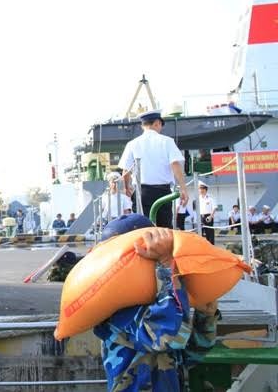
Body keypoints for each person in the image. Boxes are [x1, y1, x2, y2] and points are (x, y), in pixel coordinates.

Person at [93, 214, 219, 392]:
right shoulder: (115, 315)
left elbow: (190, 355)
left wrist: (205, 318)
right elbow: (168, 337)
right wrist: (168, 266)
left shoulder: (161, 304)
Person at [118, 110, 188, 228]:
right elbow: (175, 164)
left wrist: (127, 188)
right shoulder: (167, 141)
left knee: (142, 227)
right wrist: (183, 188)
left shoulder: (132, 144)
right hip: (163, 192)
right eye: (161, 125)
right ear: (157, 123)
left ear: (142, 126)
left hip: (142, 192)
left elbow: (126, 170)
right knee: (164, 227)